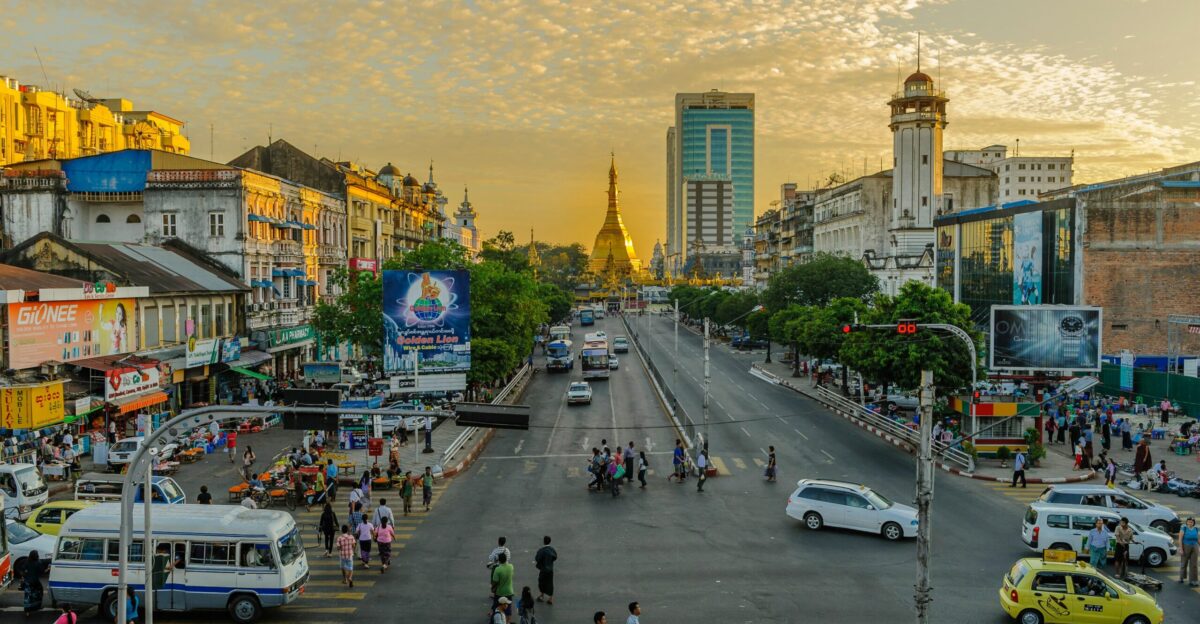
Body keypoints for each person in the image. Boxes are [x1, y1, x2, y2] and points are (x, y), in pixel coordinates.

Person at [21, 549, 51, 616]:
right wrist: (48, 569)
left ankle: (27, 611)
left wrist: (24, 576)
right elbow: (42, 572)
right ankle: (36, 606)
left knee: (28, 596)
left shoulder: (27, 561)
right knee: (38, 593)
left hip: (27, 582)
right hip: (35, 582)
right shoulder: (38, 562)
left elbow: (23, 570)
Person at [490, 552, 515, 617]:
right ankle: (508, 621)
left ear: (499, 560)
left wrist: (492, 588)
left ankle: (495, 617)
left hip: (500, 592)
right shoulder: (511, 566)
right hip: (509, 591)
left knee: (496, 606)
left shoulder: (498, 569)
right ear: (506, 559)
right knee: (508, 608)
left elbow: (495, 581)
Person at [534, 535, 556, 605]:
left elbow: (537, 558)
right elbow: (555, 557)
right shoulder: (552, 550)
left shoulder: (542, 550)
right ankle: (550, 598)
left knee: (541, 582)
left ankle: (542, 595)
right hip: (550, 569)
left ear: (544, 541)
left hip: (543, 569)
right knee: (550, 583)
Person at [1179, 517, 1199, 587]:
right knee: (1184, 562)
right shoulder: (1184, 528)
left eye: (1192, 522)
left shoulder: (1196, 529)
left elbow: (1198, 539)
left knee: (1194, 564)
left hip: (1195, 546)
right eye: (1189, 521)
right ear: (1187, 522)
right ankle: (1181, 577)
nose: (1190, 523)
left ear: (1194, 523)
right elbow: (1180, 539)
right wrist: (1181, 549)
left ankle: (1193, 580)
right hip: (1186, 546)